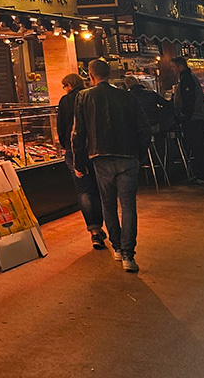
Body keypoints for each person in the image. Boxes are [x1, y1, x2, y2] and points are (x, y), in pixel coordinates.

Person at [72, 59, 152, 273]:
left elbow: (78, 133)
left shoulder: (84, 97)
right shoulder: (127, 96)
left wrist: (79, 162)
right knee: (128, 206)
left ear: (91, 75)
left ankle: (117, 247)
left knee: (108, 204)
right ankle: (128, 255)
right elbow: (145, 128)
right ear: (109, 74)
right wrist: (140, 154)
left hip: (100, 157)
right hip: (128, 156)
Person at [57, 73, 108, 249]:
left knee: (83, 190)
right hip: (94, 148)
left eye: (64, 86)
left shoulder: (65, 101)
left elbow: (61, 127)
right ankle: (100, 226)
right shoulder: (91, 96)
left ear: (69, 85)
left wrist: (66, 146)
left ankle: (94, 230)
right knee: (97, 189)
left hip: (73, 149)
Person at [171, 55, 204, 184]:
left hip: (193, 119)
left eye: (173, 67)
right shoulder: (188, 77)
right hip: (198, 117)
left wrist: (183, 116)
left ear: (180, 66)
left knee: (197, 147)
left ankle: (201, 176)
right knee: (202, 146)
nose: (172, 70)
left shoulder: (187, 79)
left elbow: (188, 102)